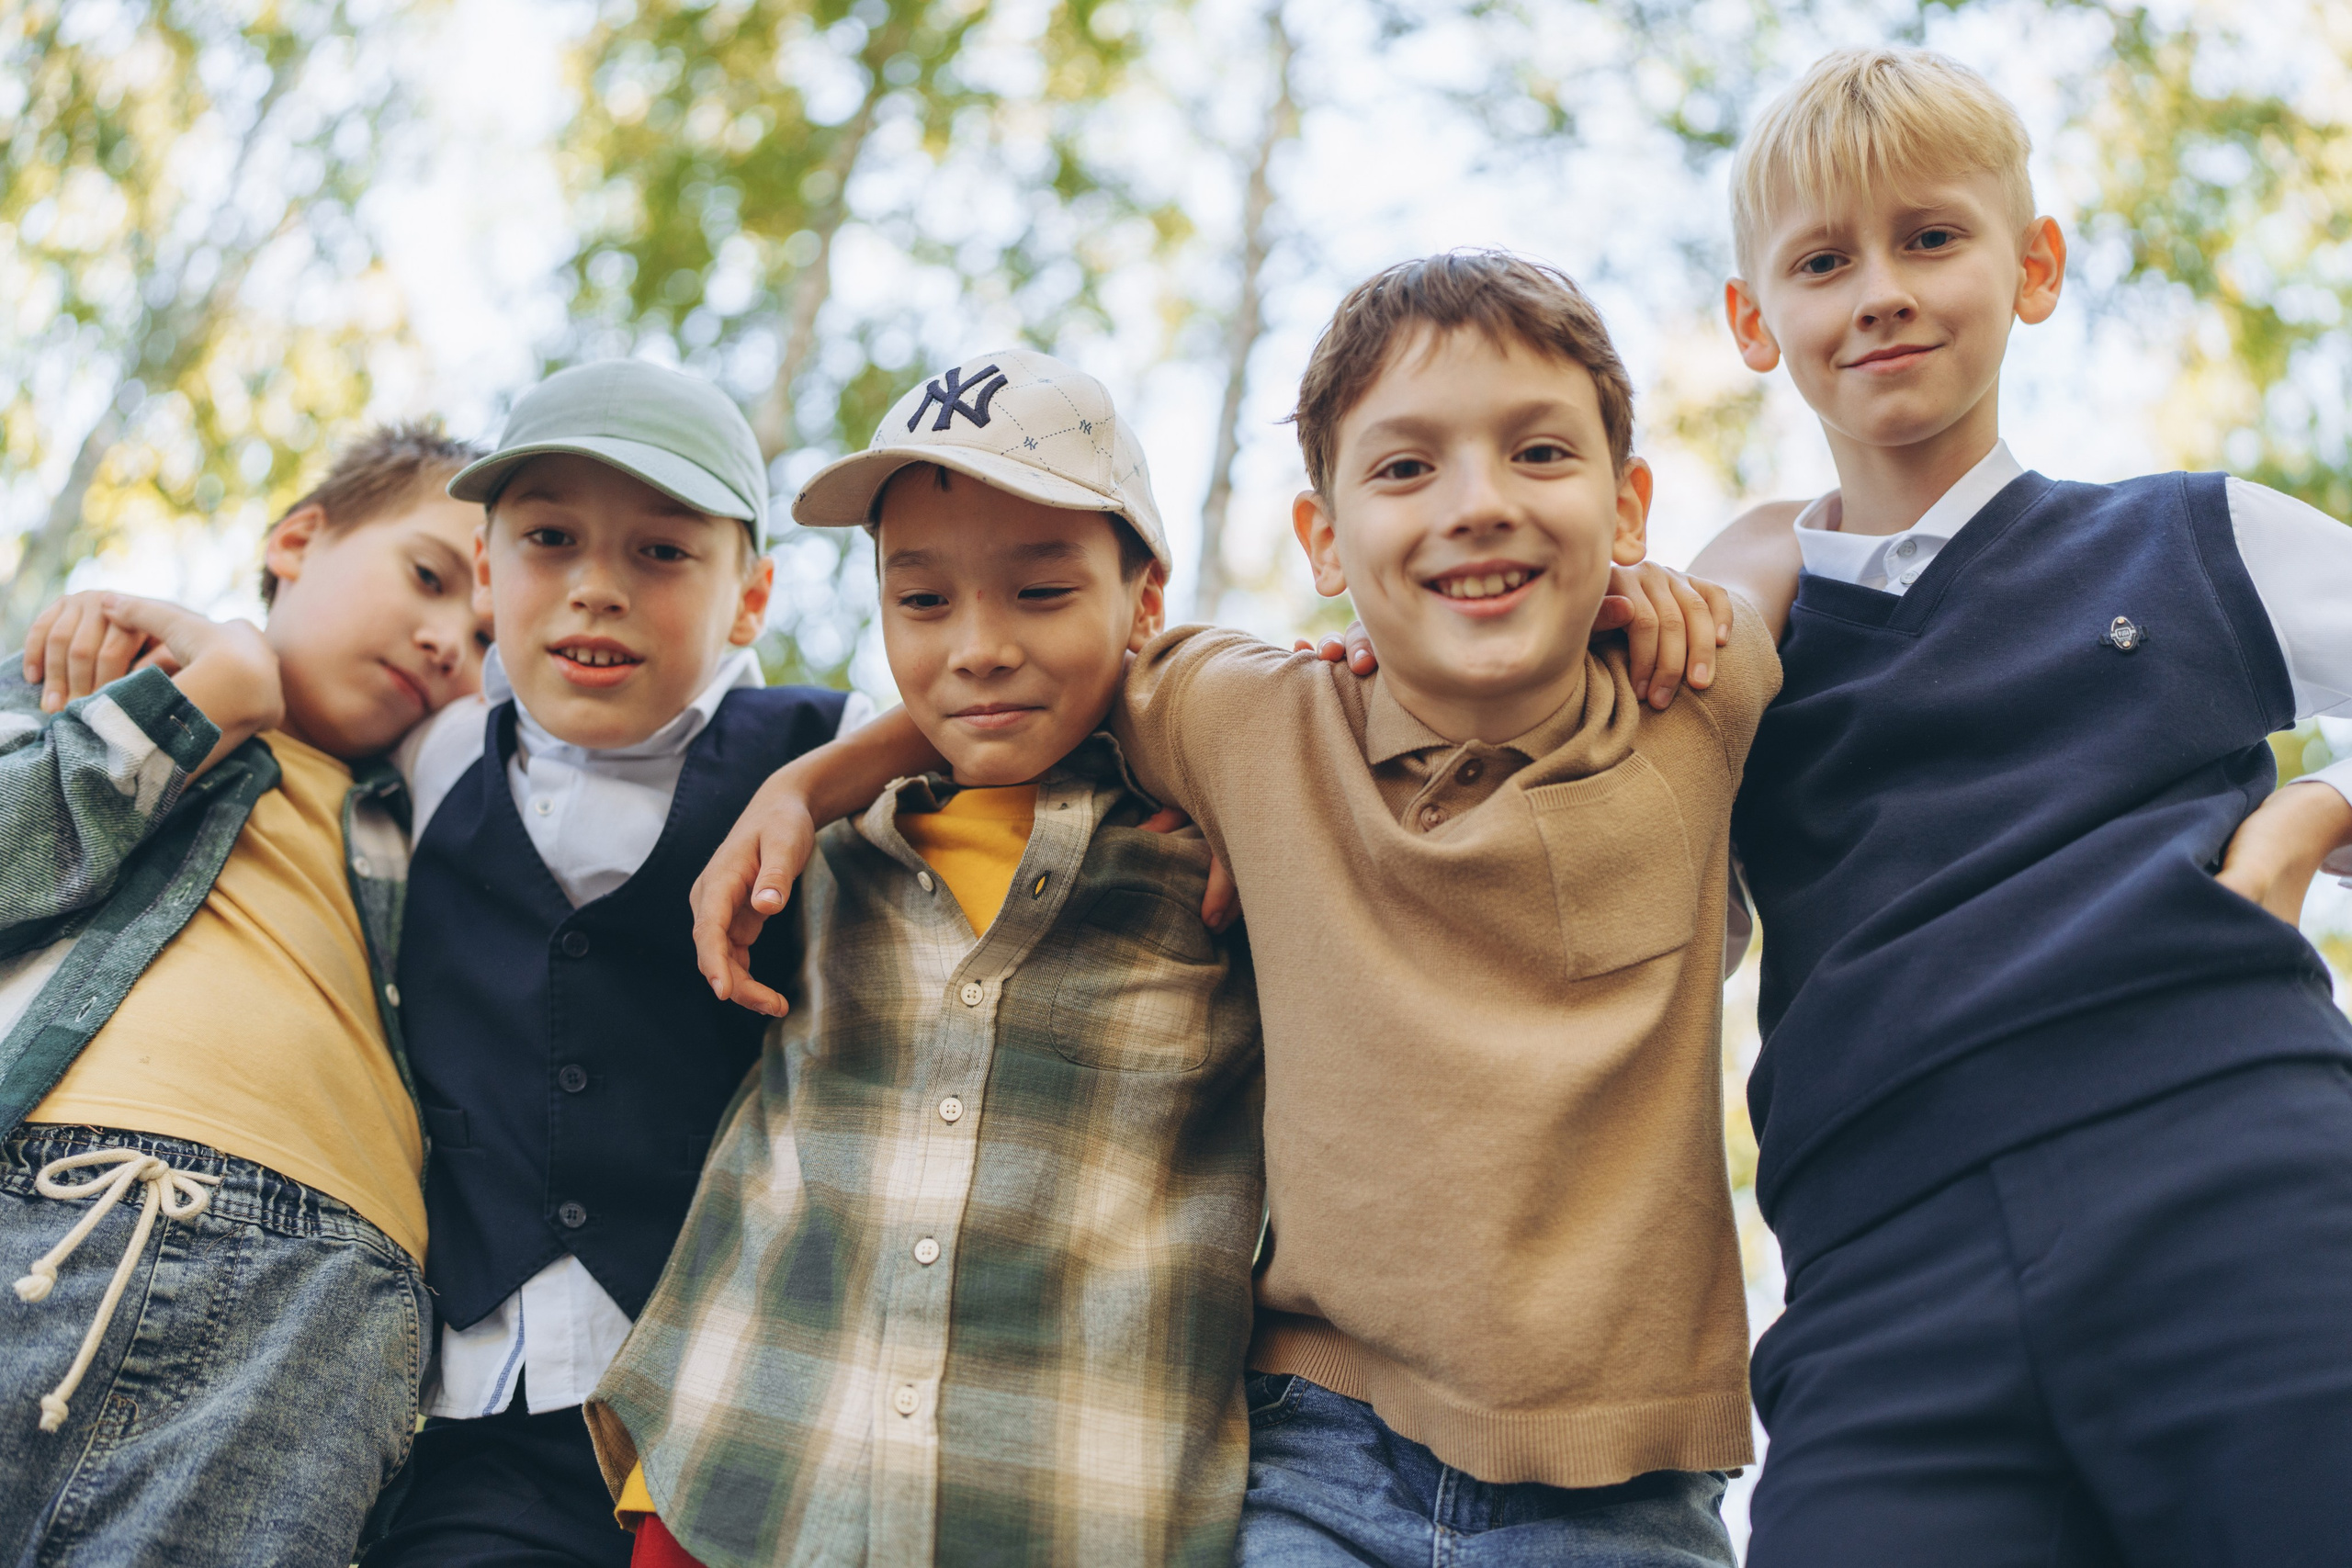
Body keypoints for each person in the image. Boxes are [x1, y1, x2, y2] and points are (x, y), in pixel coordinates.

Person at [689, 253, 1778, 1566]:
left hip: (1625, 1488)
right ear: (1322, 537)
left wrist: (1661, 589)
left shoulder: (1698, 695)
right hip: (1320, 1452)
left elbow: (1798, 535)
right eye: (1405, 467)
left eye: (1539, 453)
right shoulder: (1254, 724)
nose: (1480, 503)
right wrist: (809, 784)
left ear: (1628, 503)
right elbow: (1039, 672)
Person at [1686, 47, 2352, 1566]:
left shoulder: (2190, 539)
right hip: (1876, 1274)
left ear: (2034, 266)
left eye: (1931, 237)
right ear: (1752, 318)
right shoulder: (1727, 645)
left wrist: (2304, 822)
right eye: (1822, 261)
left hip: (2233, 1166)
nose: (1881, 292)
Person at [584, 348, 1264, 1568]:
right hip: (742, 1475)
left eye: (1041, 591)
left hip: (1073, 1501)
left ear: (1144, 598)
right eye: (923, 600)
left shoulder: (1220, 844)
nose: (979, 647)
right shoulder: (823, 850)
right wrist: (808, 787)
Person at [358, 360, 860, 1568]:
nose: (597, 586)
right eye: (550, 539)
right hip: (490, 1399)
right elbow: (280, 676)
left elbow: (1010, 714)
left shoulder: (829, 745)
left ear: (750, 598)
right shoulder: (433, 753)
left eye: (662, 552)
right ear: (486, 572)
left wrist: (818, 782)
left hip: (735, 1394)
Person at [0, 425, 490, 1567]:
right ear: (297, 540)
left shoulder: (450, 826)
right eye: (429, 576)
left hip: (324, 1300)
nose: (446, 642)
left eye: (486, 642)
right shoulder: (101, 687)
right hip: (40, 1197)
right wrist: (207, 700)